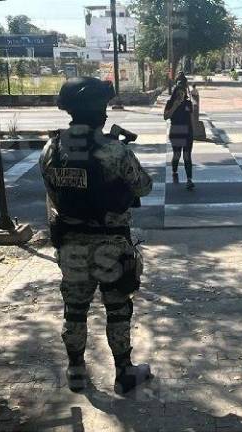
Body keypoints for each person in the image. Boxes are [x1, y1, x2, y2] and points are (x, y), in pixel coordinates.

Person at [40, 77, 154, 394]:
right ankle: (123, 372)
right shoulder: (115, 152)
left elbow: (51, 193)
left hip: (71, 243)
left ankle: (76, 370)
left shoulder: (51, 148)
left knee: (74, 311)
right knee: (118, 309)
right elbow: (144, 187)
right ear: (98, 113)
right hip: (111, 247)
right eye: (103, 108)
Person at [164, 73, 195, 189]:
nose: (181, 94)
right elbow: (165, 116)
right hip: (175, 131)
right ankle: (174, 169)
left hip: (187, 132)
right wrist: (175, 106)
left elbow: (191, 119)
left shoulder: (188, 103)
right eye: (179, 92)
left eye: (183, 92)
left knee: (187, 156)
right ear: (175, 92)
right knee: (177, 155)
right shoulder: (170, 103)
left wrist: (193, 132)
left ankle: (189, 179)